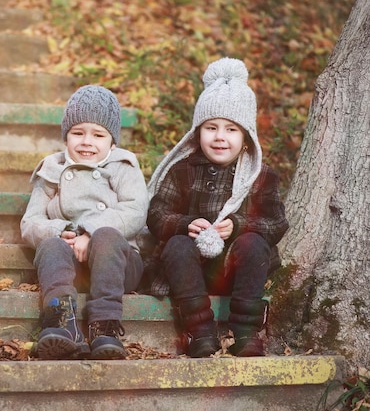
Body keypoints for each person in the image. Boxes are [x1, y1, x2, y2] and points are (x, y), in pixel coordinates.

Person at [146, 57, 289, 358]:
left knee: (254, 243)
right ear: (198, 132)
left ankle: (246, 333)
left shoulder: (260, 175)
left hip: (237, 269)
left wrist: (239, 225)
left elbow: (276, 223)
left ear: (247, 137)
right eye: (211, 127)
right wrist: (184, 223)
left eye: (231, 129)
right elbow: (157, 213)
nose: (220, 137)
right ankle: (199, 333)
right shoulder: (183, 170)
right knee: (176, 245)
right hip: (192, 270)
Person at [21, 85, 148, 360]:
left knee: (107, 237)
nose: (87, 142)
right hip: (71, 266)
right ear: (66, 137)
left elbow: (136, 210)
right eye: (78, 133)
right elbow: (30, 222)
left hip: (118, 262)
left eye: (98, 135)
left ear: (112, 142)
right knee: (50, 246)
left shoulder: (123, 166)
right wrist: (63, 231)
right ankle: (62, 322)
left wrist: (90, 231)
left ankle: (104, 325)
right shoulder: (52, 171)